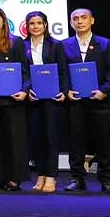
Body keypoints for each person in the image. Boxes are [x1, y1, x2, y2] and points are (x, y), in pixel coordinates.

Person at [61, 8, 110, 194]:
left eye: (84, 18)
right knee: (75, 142)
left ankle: (107, 180)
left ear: (92, 20)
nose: (80, 21)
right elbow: (62, 71)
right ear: (71, 23)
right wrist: (66, 91)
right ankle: (77, 178)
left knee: (104, 142)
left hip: (99, 101)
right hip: (75, 101)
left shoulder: (105, 43)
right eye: (75, 19)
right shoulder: (64, 45)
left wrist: (104, 91)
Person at [0, 7, 30, 191]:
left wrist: (25, 90)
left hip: (12, 99)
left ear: (4, 21)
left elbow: (25, 69)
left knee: (14, 140)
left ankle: (15, 178)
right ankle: (1, 178)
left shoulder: (15, 42)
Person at [23, 10, 68, 193]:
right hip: (32, 98)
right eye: (32, 23)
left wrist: (64, 91)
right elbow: (22, 72)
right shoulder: (22, 45)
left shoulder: (55, 45)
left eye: (39, 23)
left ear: (45, 25)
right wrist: (27, 91)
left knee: (51, 137)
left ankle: (51, 176)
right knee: (36, 139)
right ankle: (41, 175)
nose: (35, 26)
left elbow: (63, 71)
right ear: (27, 26)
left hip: (52, 98)